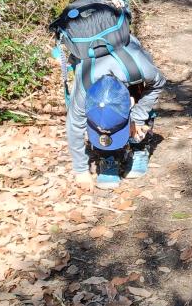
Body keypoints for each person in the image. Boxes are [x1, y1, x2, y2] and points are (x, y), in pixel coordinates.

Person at [66, 36, 165, 191]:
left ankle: (139, 147)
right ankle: (107, 155)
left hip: (130, 67)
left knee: (143, 99)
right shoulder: (82, 92)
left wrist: (138, 117)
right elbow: (74, 127)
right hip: (92, 65)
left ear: (130, 102)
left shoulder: (138, 68)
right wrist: (81, 171)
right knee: (103, 121)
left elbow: (158, 83)